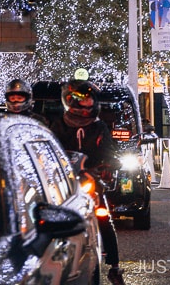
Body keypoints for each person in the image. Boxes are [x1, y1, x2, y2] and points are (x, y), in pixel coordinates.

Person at [46, 78, 124, 285]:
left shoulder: (99, 127)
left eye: (90, 99)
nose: (88, 103)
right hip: (63, 182)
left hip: (92, 179)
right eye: (83, 99)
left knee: (103, 216)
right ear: (70, 101)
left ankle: (114, 266)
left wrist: (108, 166)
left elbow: (109, 151)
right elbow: (49, 152)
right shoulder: (58, 125)